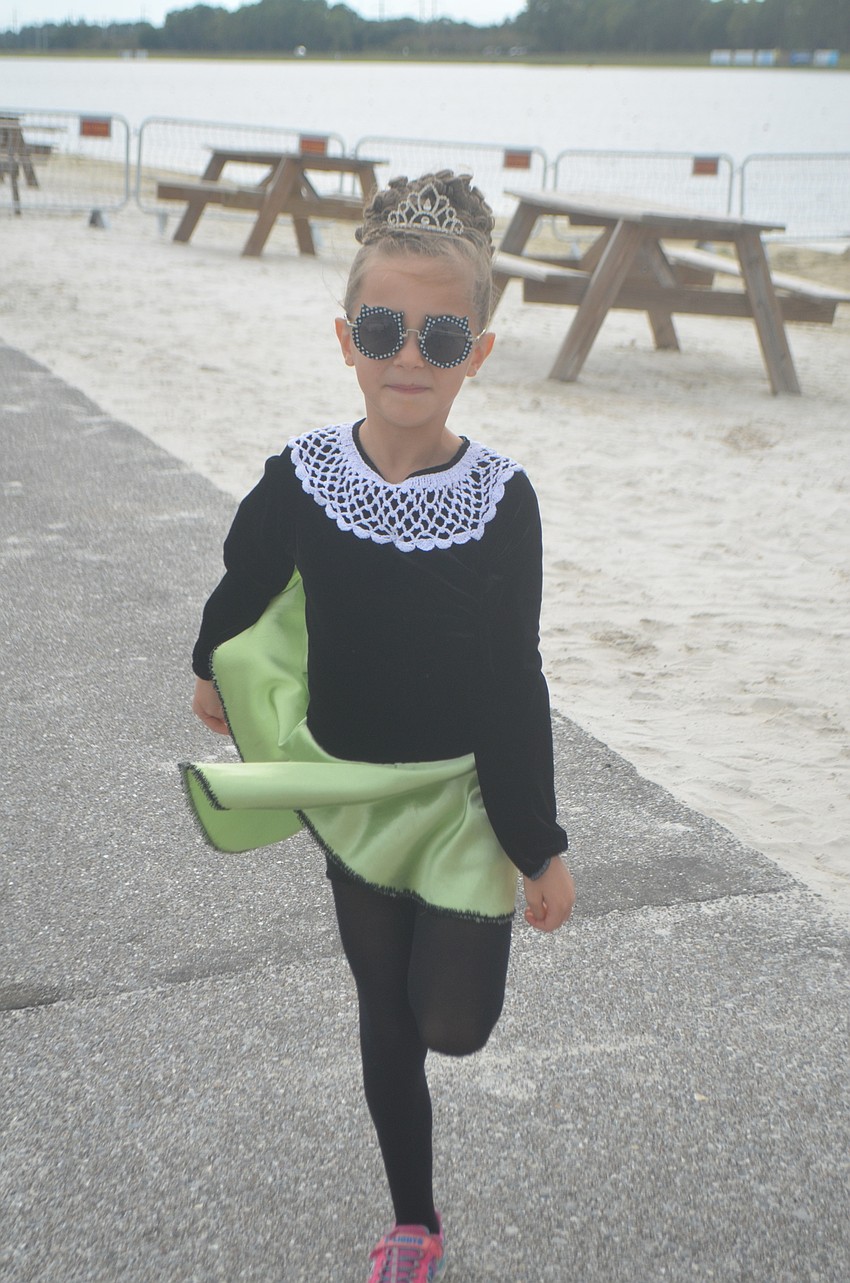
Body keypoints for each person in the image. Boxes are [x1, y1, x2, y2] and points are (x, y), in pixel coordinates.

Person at [187, 170, 575, 1282]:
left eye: (442, 332)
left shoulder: (502, 498)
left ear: (479, 353)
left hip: (457, 800)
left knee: (451, 1022)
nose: (410, 354)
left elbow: (514, 671)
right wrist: (209, 663)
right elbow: (245, 576)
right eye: (383, 328)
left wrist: (534, 840)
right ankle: (414, 1218)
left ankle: (439, 994)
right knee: (384, 1010)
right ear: (345, 338)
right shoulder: (301, 475)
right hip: (350, 789)